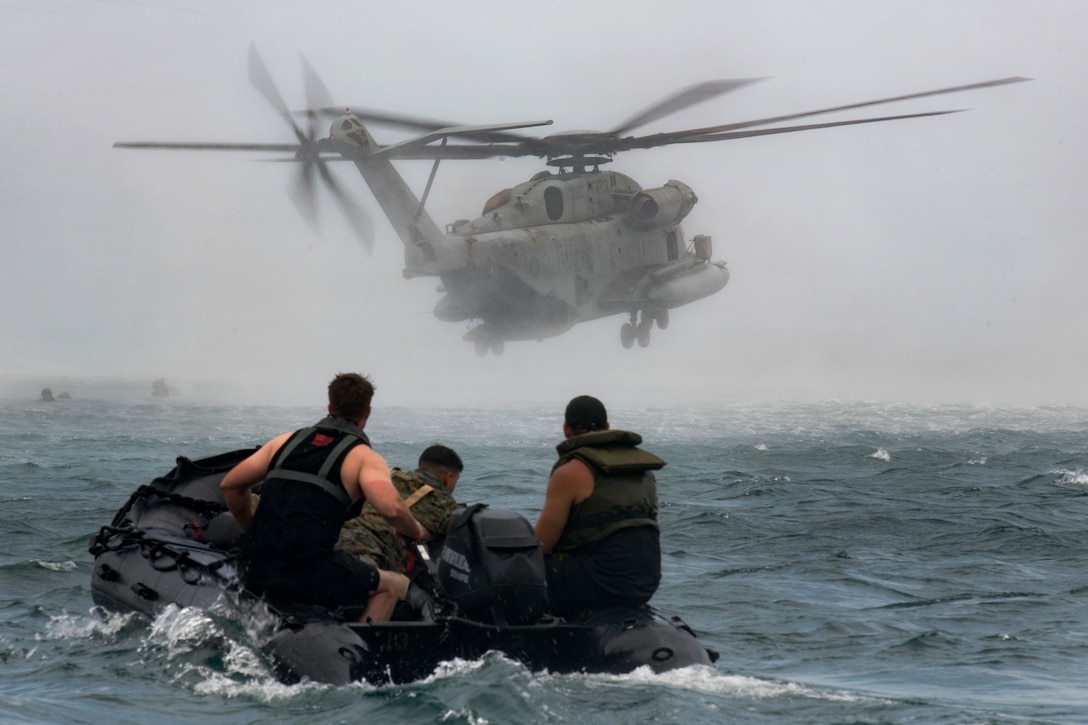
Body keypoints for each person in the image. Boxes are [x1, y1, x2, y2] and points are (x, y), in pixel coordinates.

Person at [220, 372, 427, 623]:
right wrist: (415, 529)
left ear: (329, 406)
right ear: (367, 413)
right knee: (389, 588)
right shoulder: (363, 457)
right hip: (310, 573)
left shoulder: (284, 441)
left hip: (255, 565)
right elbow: (392, 509)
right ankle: (357, 652)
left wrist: (251, 532)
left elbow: (231, 485)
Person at [534, 395, 665, 617]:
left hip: (599, 584)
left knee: (524, 568)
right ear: (606, 427)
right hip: (646, 582)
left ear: (566, 430)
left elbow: (541, 546)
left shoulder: (570, 472)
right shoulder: (644, 471)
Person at [338, 444, 463, 573]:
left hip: (338, 536)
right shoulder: (443, 504)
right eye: (456, 481)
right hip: (370, 553)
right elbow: (466, 523)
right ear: (446, 478)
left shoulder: (390, 477)